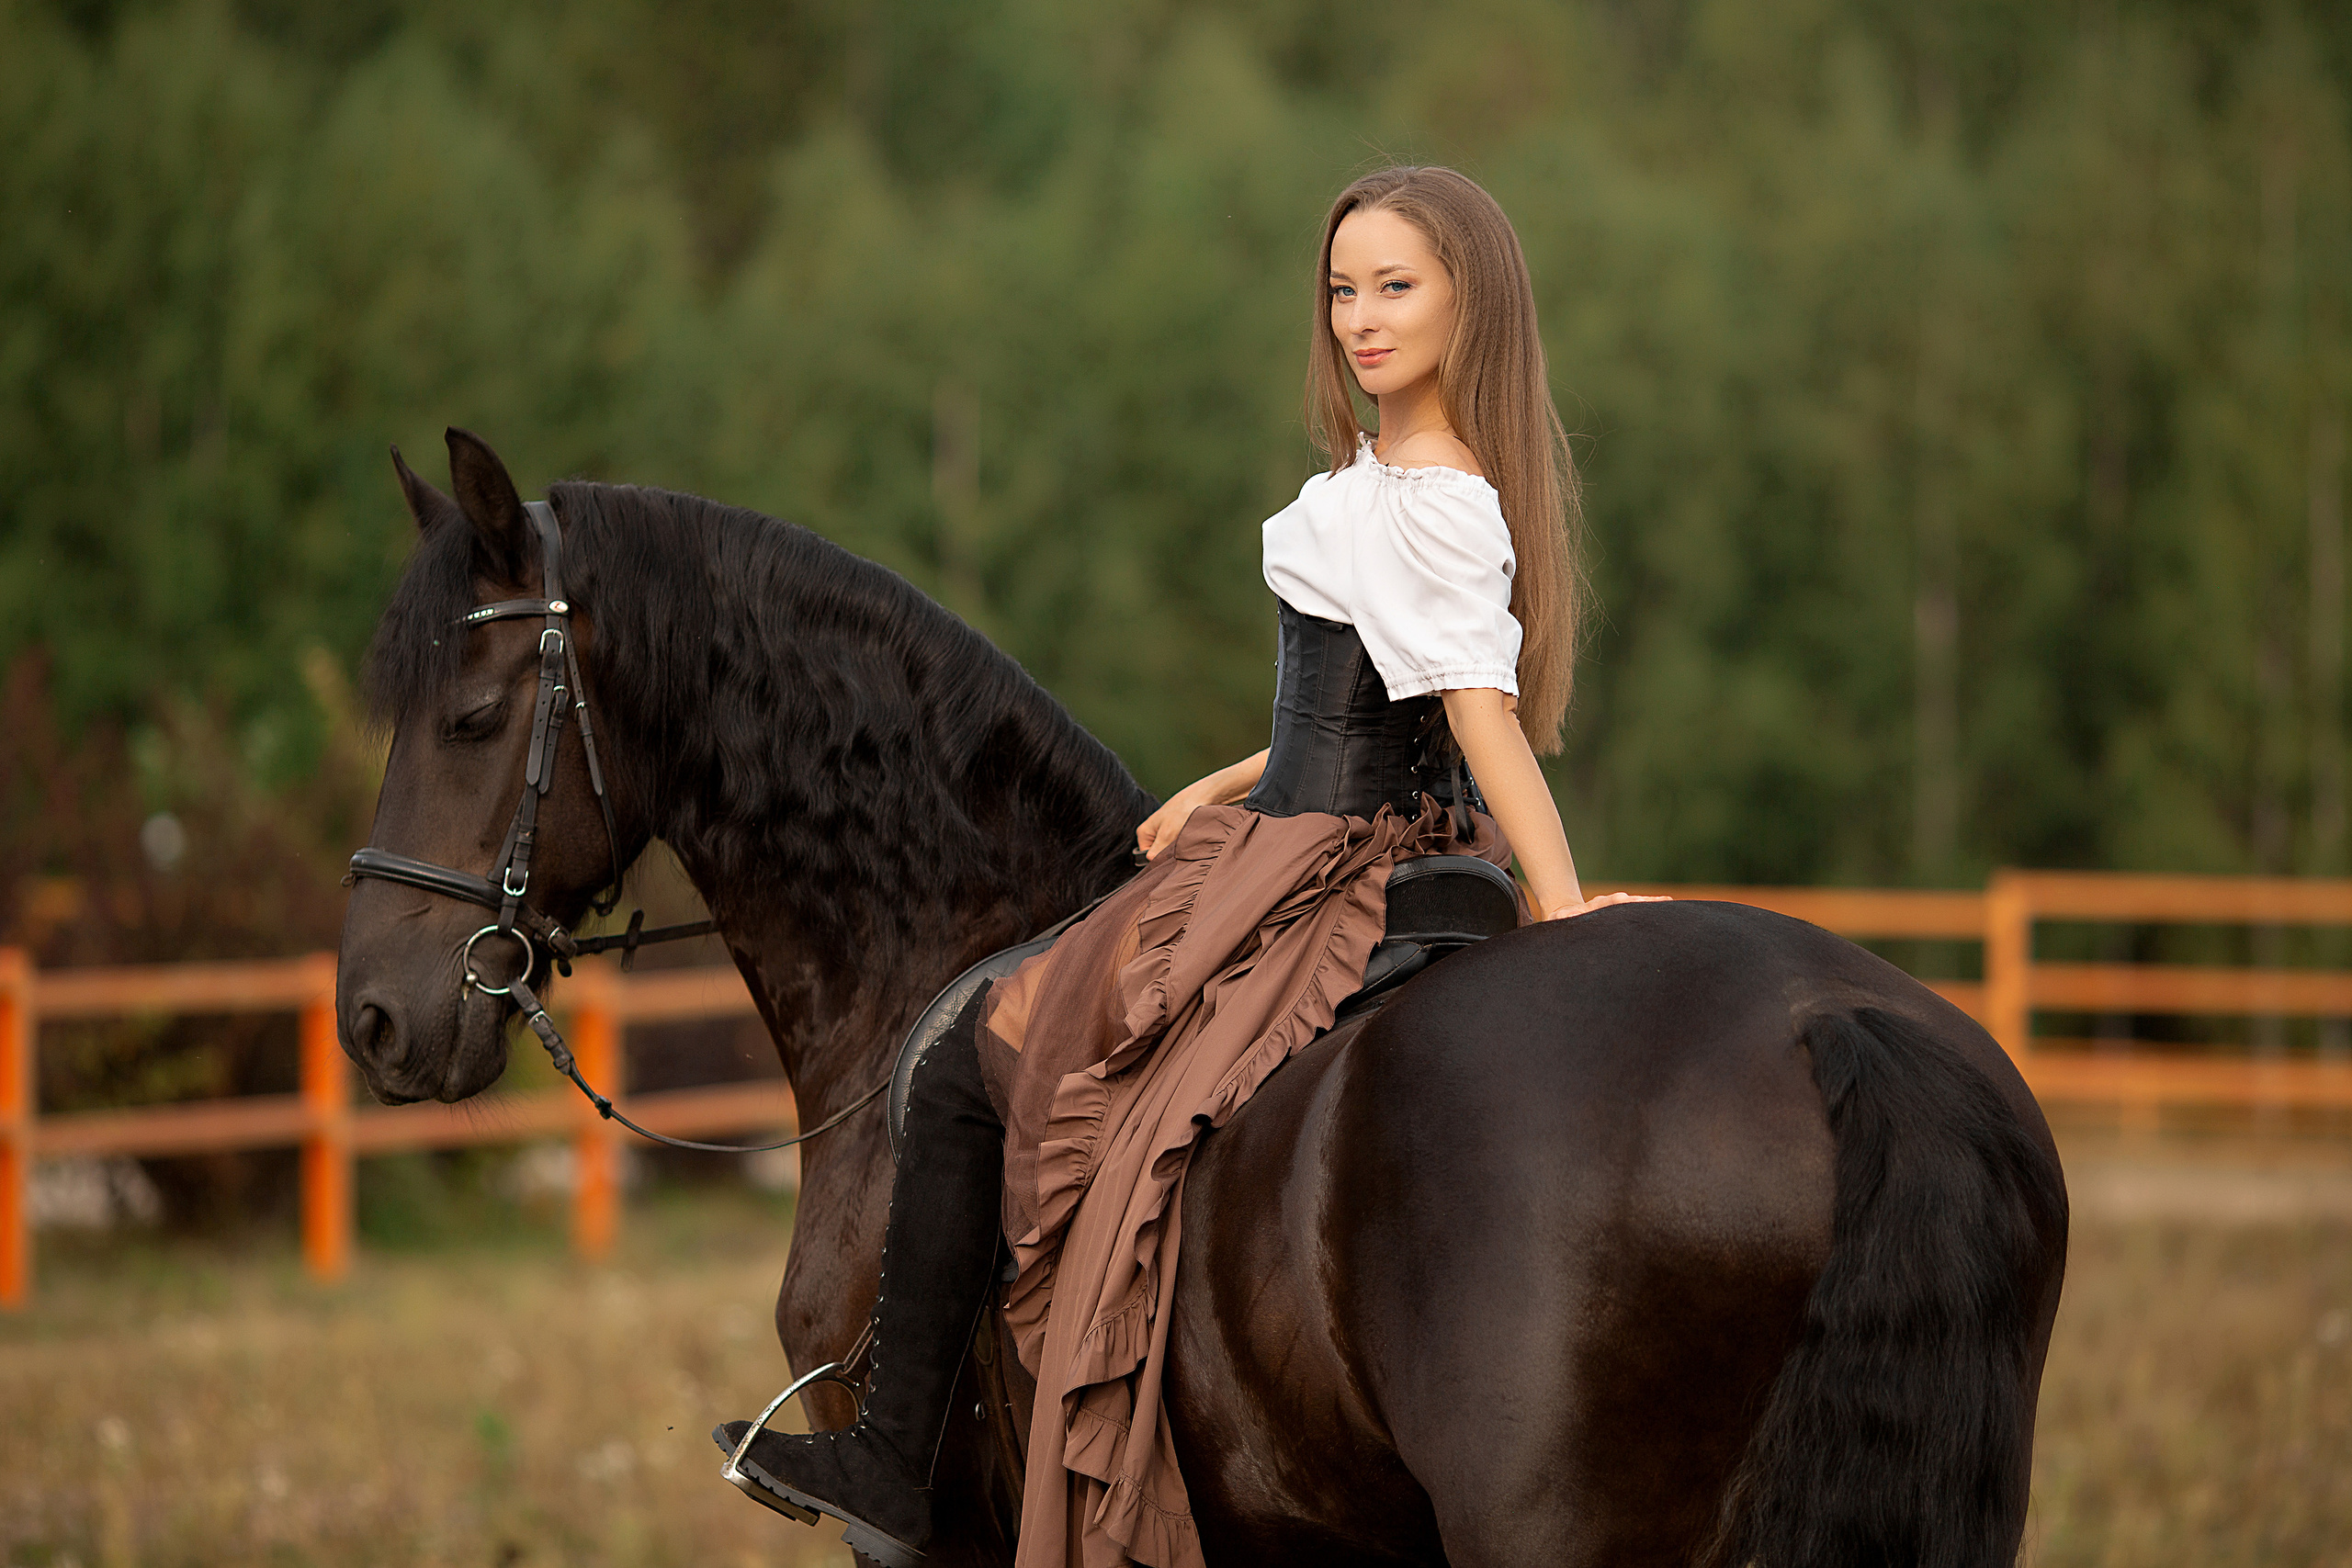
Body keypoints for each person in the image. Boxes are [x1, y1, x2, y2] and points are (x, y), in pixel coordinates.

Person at [716, 164, 1662, 1568]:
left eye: (1396, 287)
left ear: (1474, 302)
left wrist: (1567, 907)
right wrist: (1222, 783)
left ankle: (894, 1450)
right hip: (1307, 815)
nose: (1360, 318)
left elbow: (1480, 716)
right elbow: (1364, 696)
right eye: (1342, 290)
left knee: (982, 1036)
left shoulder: (1436, 496)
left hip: (1322, 853)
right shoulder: (1383, 483)